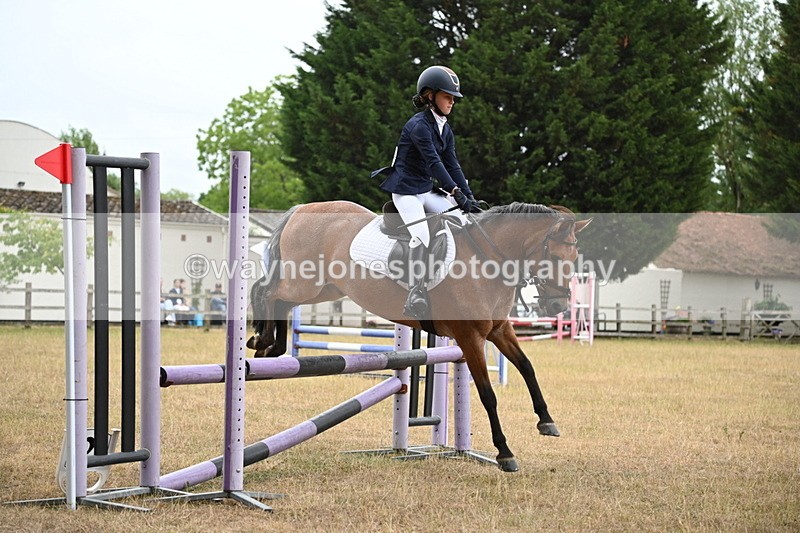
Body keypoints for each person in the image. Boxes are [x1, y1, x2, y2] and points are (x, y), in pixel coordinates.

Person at [373, 65, 483, 319]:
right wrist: (455, 192)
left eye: (454, 98)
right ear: (430, 95)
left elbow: (452, 163)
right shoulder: (419, 126)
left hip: (423, 189)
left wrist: (470, 196)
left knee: (461, 220)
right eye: (447, 96)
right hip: (405, 190)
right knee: (421, 233)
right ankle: (416, 291)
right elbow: (435, 163)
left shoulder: (444, 128)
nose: (452, 101)